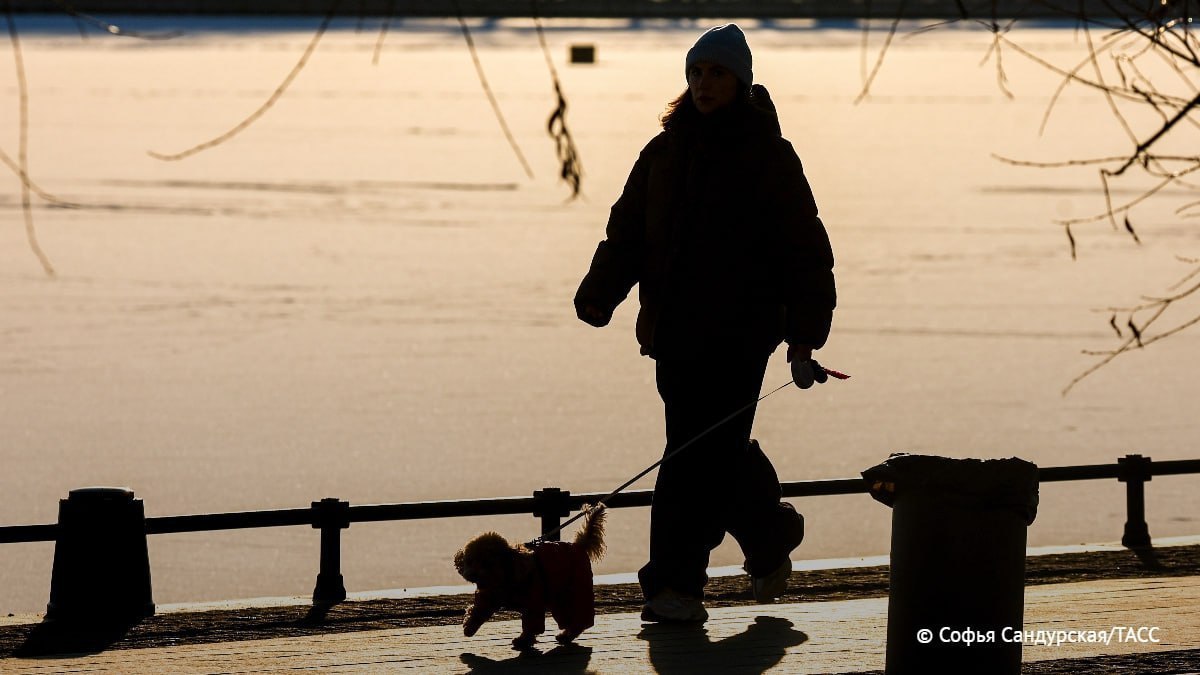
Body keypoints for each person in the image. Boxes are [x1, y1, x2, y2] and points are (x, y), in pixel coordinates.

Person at [573, 24, 837, 623]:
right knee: (710, 450)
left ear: (741, 81)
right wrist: (600, 293)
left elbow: (804, 248)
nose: (704, 85)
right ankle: (770, 532)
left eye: (717, 74)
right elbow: (628, 234)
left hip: (741, 337)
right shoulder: (663, 154)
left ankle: (673, 586)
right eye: (695, 74)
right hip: (673, 334)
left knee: (689, 456)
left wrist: (804, 335)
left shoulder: (767, 155)